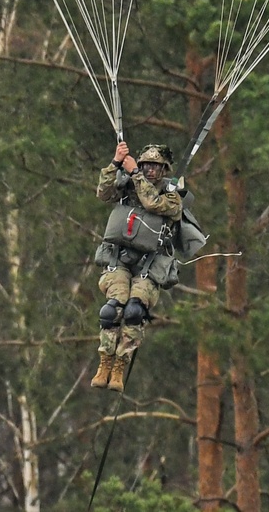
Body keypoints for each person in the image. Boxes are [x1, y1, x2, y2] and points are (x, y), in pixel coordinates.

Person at [91, 141, 182, 391]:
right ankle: (105, 360)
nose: (150, 171)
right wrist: (115, 163)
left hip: (149, 265)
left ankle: (121, 363)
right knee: (112, 310)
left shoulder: (172, 196)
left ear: (164, 170)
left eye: (155, 166)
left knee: (134, 311)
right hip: (119, 258)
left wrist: (135, 173)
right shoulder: (127, 186)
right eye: (145, 166)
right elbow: (103, 193)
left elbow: (154, 204)